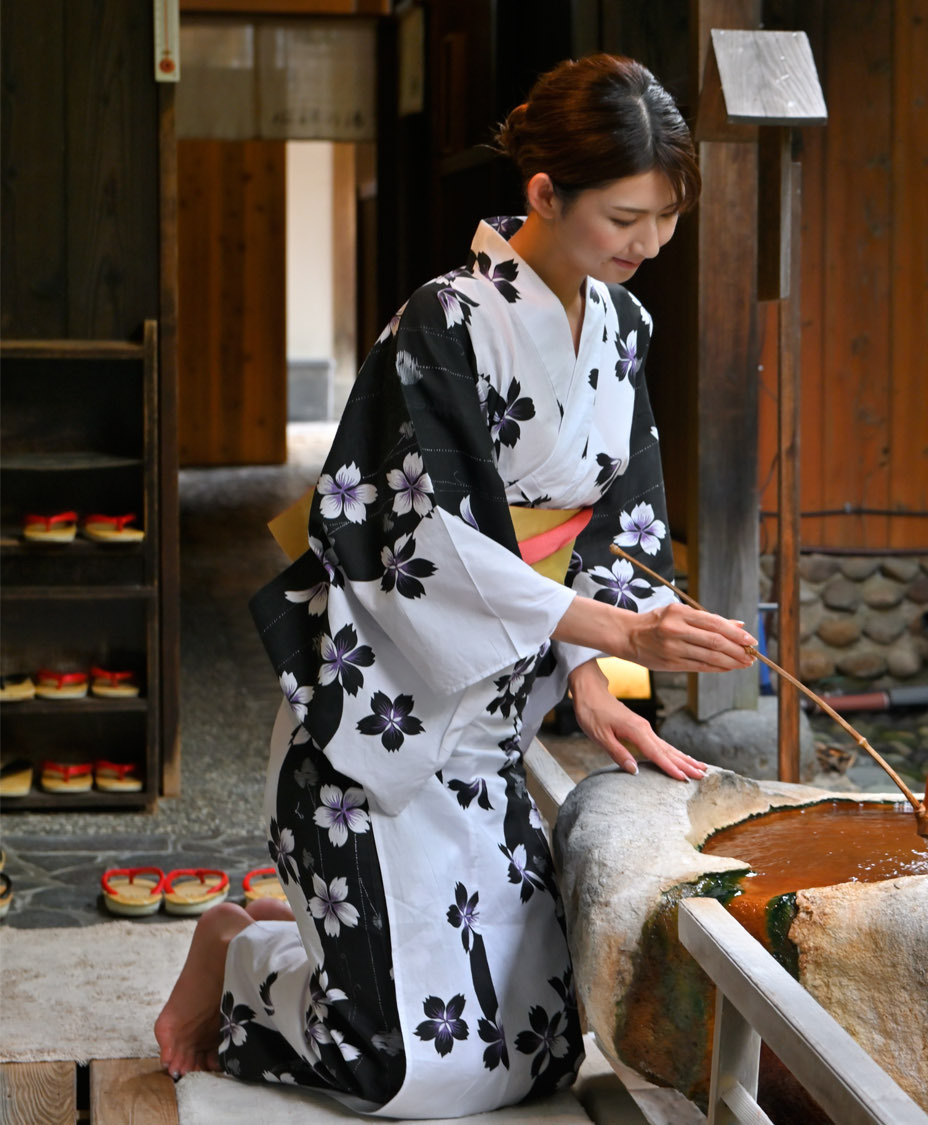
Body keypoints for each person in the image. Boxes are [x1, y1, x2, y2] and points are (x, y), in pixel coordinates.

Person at [152, 54, 757, 1117]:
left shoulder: (624, 333)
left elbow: (618, 521)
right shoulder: (443, 321)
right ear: (543, 195)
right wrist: (618, 629)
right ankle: (241, 956)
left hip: (486, 732)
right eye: (626, 217)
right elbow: (420, 540)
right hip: (375, 736)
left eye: (664, 219)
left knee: (534, 1054)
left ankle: (286, 946)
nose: (649, 245)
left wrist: (588, 677)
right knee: (399, 1070)